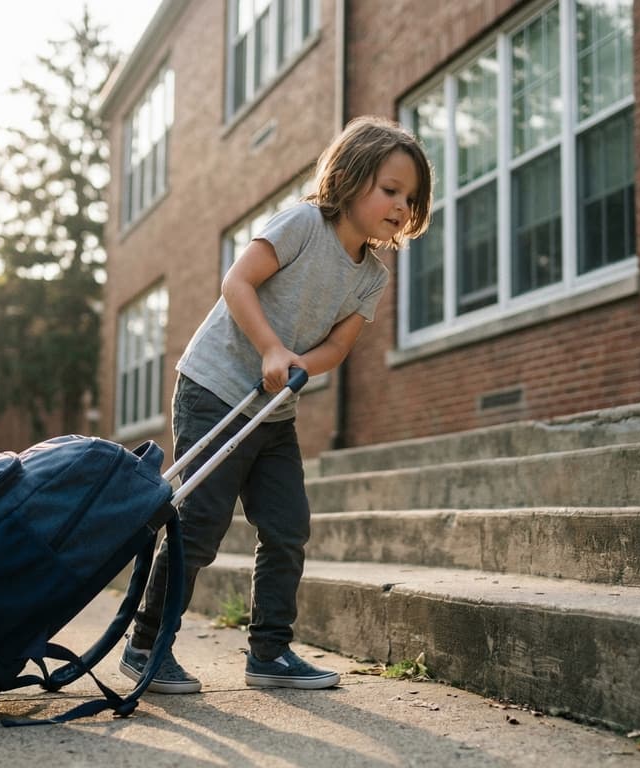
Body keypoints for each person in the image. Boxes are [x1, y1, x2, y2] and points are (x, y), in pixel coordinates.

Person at [119, 115, 433, 693]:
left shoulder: (372, 277)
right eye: (390, 190)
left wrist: (296, 366)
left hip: (273, 410)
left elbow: (338, 346)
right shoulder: (302, 225)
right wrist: (270, 348)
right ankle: (145, 647)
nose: (399, 206)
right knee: (200, 524)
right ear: (351, 176)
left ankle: (269, 652)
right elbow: (236, 283)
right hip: (215, 388)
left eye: (409, 199)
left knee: (288, 526)